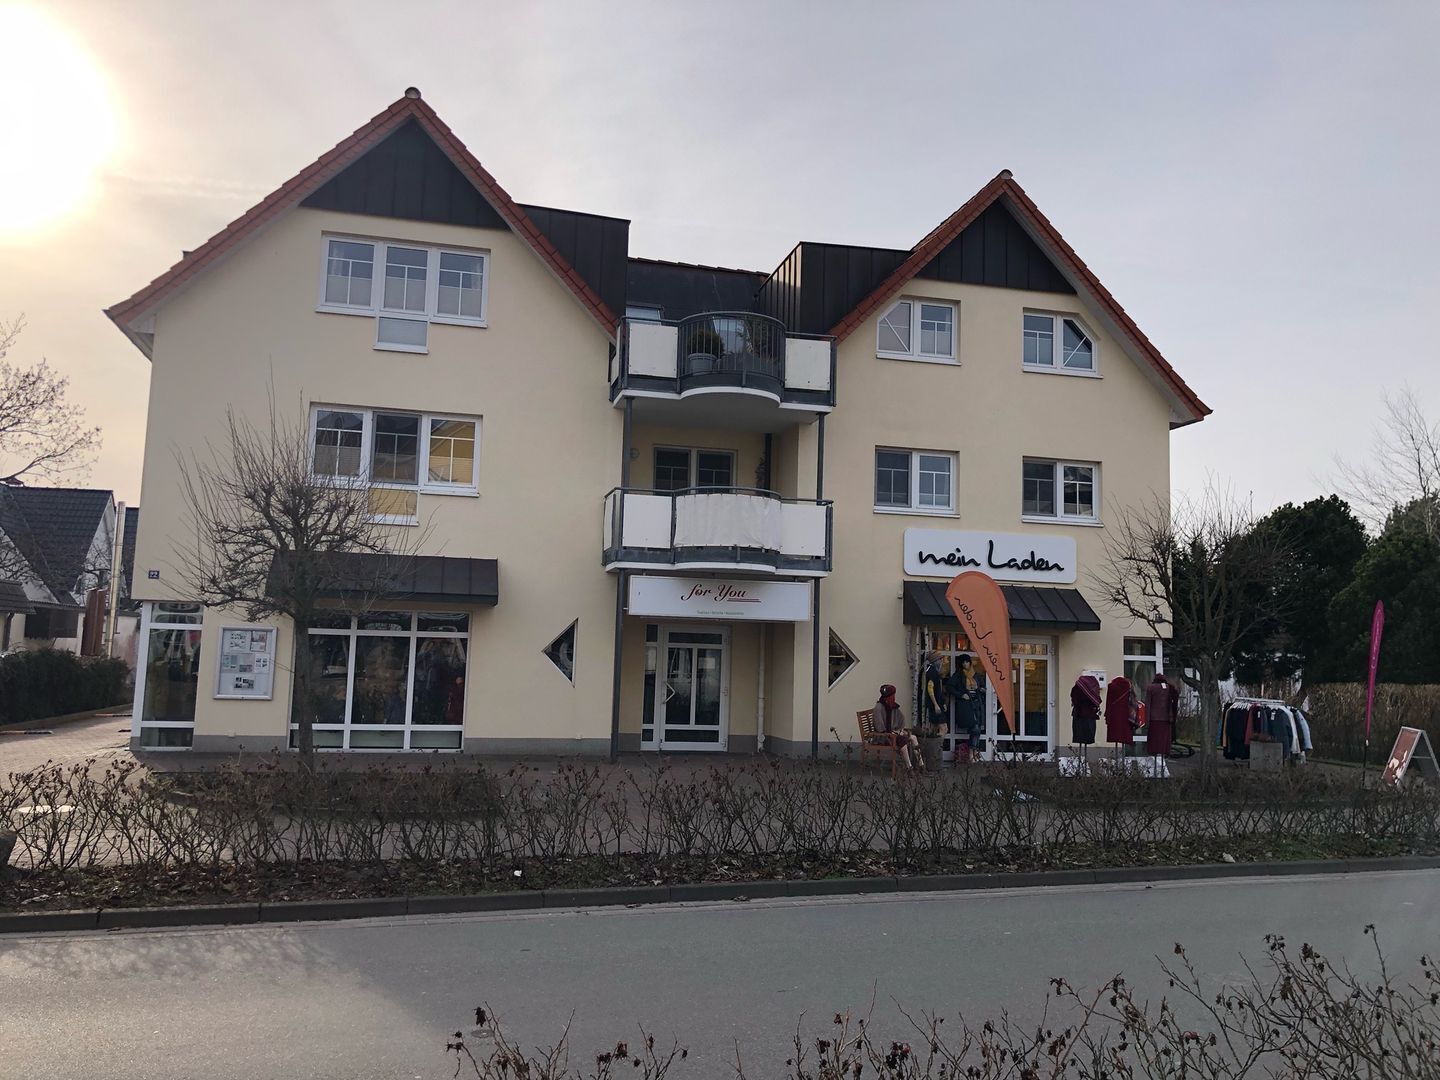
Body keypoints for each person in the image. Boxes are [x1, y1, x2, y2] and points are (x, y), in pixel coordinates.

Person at [872, 683, 922, 772]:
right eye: (893, 695)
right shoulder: (878, 708)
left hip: (894, 733)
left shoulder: (893, 707)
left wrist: (900, 730)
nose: (894, 697)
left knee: (913, 737)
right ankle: (909, 768)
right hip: (883, 737)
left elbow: (900, 720)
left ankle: (921, 765)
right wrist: (894, 733)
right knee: (902, 742)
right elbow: (880, 728)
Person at [947, 654, 986, 763]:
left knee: (977, 728)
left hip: (977, 703)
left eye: (967, 662)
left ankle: (974, 752)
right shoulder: (959, 675)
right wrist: (961, 695)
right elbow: (949, 686)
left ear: (970, 663)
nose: (965, 664)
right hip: (966, 705)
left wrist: (981, 689)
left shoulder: (976, 675)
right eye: (963, 662)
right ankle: (971, 753)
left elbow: (983, 687)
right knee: (975, 727)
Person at [921, 650, 950, 737]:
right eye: (940, 659)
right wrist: (936, 704)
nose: (941, 662)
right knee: (943, 728)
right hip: (933, 705)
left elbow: (936, 690)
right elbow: (930, 689)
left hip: (934, 704)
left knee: (933, 728)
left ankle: (933, 743)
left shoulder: (928, 670)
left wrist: (942, 702)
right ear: (935, 661)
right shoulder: (932, 672)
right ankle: (938, 743)